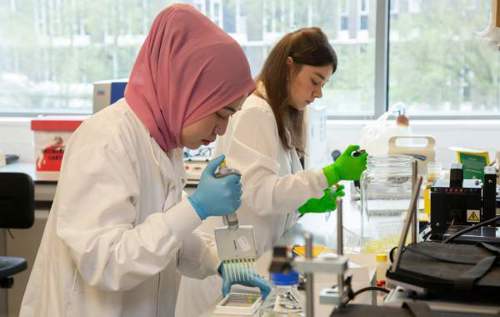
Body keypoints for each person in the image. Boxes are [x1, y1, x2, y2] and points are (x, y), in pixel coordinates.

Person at [20, 4, 269, 317]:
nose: (222, 129)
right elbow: (107, 262)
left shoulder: (165, 142)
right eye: (221, 113)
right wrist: (195, 208)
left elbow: (163, 236)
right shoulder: (107, 139)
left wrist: (216, 259)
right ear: (186, 88)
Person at [176, 27, 368, 316]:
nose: (318, 93)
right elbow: (260, 195)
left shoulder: (280, 113)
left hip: (248, 262)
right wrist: (331, 173)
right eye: (315, 81)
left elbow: (273, 189)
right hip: (223, 269)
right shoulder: (256, 111)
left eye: (324, 84)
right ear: (290, 66)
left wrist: (302, 204)